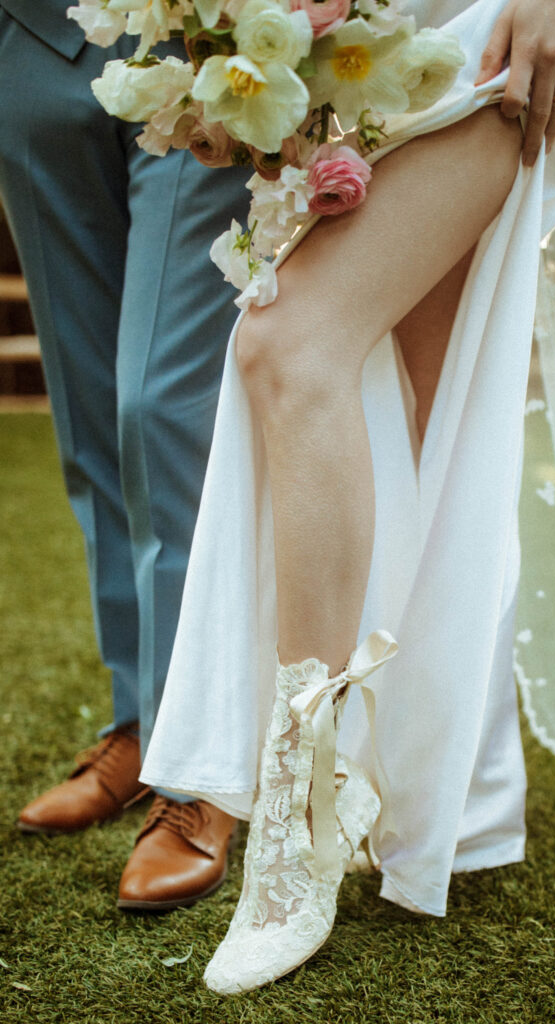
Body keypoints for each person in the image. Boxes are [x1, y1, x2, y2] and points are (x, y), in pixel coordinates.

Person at [136, 0, 555, 993]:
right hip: (394, 32)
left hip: (506, 22)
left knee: (292, 343)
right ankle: (420, 795)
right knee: (422, 396)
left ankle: (294, 828)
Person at [0, 0, 247, 909]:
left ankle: (199, 768)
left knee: (160, 408)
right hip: (26, 42)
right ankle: (140, 719)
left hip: (196, 39)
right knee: (89, 415)